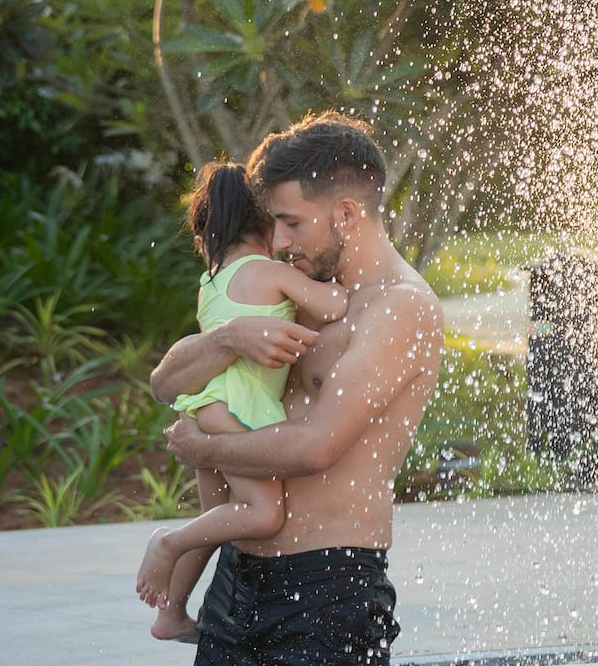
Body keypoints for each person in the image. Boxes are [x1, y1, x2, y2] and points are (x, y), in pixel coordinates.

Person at [151, 111, 444, 665]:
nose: (278, 241)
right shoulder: (299, 292)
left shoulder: (399, 307)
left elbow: (316, 446)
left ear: (348, 214)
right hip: (235, 579)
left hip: (326, 589)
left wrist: (202, 449)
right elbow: (166, 383)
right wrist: (230, 338)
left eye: (291, 223)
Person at [139, 161, 350, 642]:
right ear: (265, 224)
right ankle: (165, 541)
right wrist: (340, 277)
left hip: (207, 405)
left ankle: (170, 614)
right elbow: (334, 306)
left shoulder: (211, 282)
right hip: (238, 408)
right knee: (262, 513)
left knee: (217, 523)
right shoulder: (267, 271)